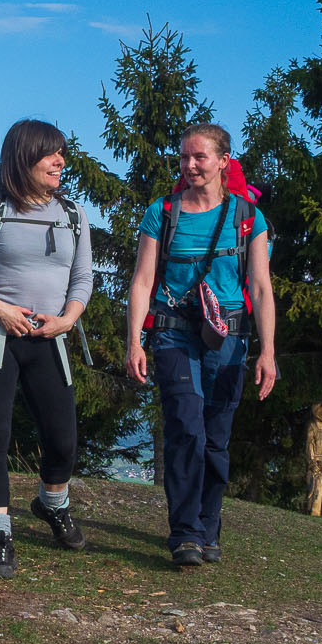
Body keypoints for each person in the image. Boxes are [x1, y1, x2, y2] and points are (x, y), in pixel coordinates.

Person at [0, 119, 95, 579]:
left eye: (61, 154)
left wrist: (67, 319)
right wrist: (0, 311)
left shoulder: (74, 215)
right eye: (50, 154)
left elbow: (82, 279)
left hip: (51, 342)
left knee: (63, 440)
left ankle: (53, 504)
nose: (60, 161)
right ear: (22, 158)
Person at [123, 122, 278, 567]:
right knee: (186, 426)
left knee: (216, 438)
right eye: (184, 157)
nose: (190, 165)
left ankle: (210, 529)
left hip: (229, 335)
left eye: (200, 157)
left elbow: (262, 288)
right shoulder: (162, 212)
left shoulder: (248, 216)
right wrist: (134, 341)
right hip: (172, 331)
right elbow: (142, 279)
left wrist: (268, 351)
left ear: (223, 162)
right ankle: (185, 533)